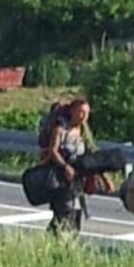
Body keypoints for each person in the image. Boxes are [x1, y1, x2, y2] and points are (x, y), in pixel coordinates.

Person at [43, 97, 97, 235]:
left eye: (87, 113)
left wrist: (103, 178)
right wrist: (65, 166)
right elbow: (53, 151)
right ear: (72, 111)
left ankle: (67, 244)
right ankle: (49, 241)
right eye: (81, 112)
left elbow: (92, 154)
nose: (84, 116)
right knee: (64, 214)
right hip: (59, 180)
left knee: (76, 215)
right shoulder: (60, 129)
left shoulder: (84, 131)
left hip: (76, 183)